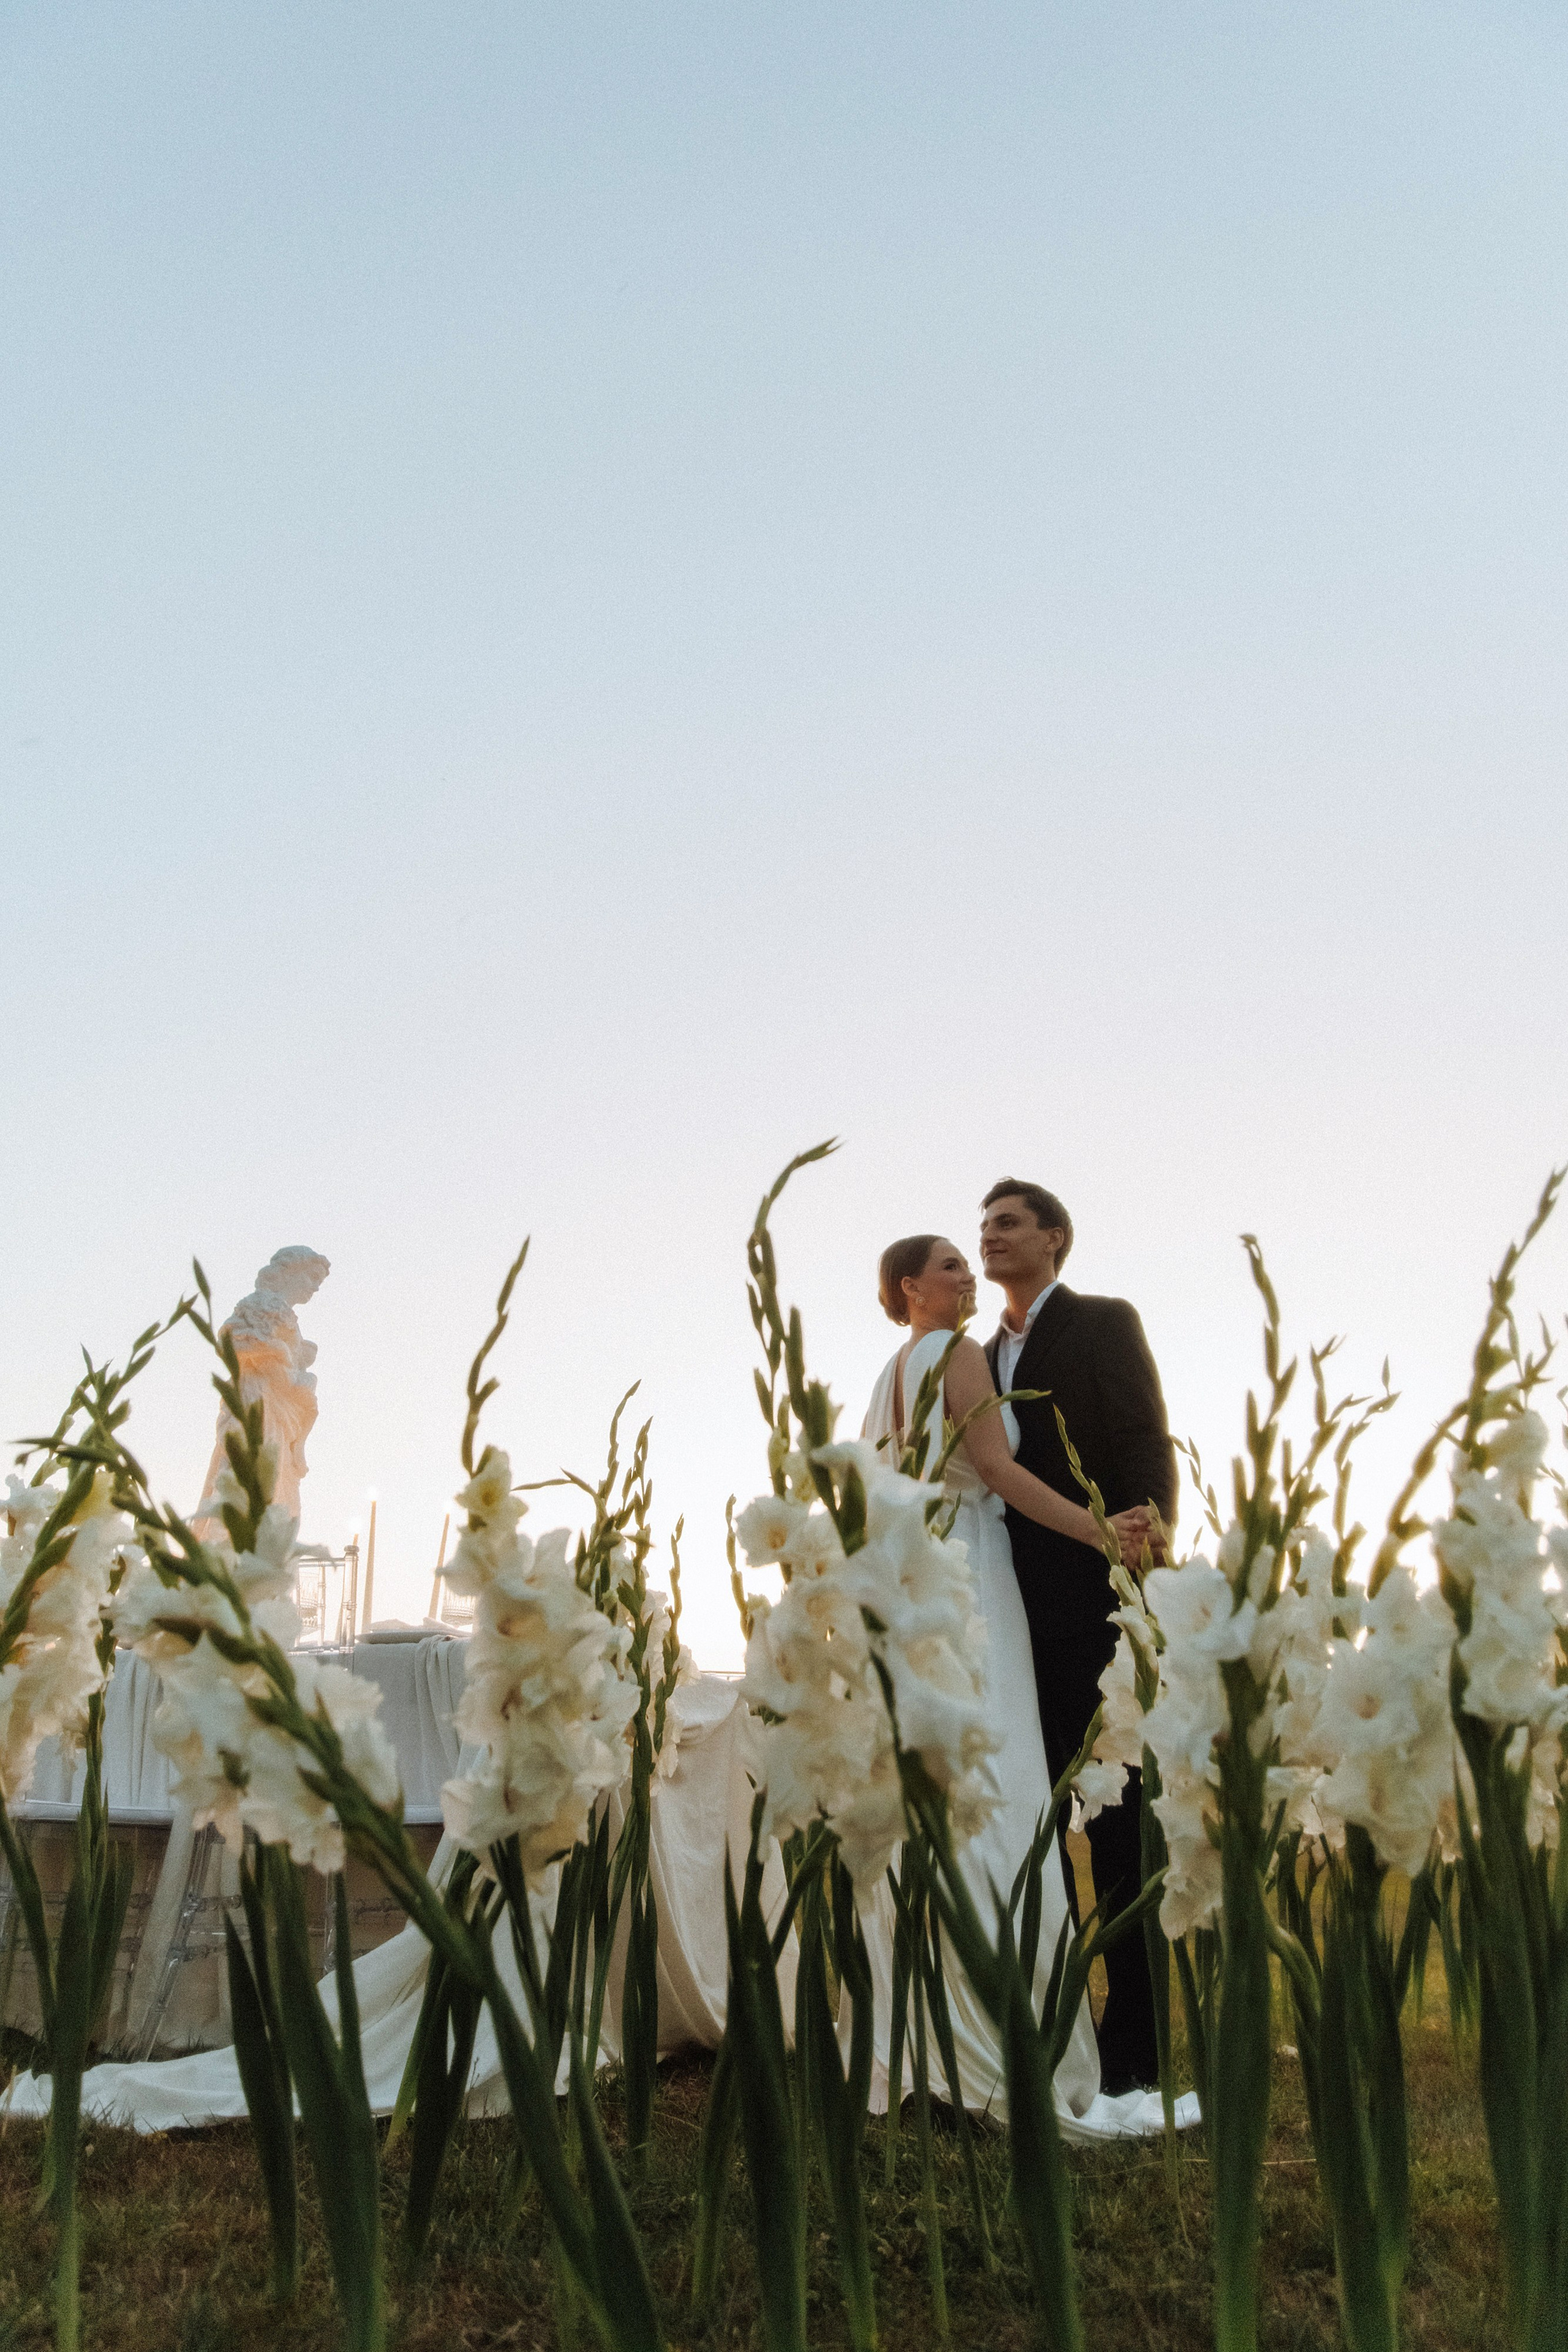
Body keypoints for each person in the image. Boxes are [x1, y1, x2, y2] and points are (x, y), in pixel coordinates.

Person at [859, 1233, 1149, 2135]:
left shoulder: (891, 1371)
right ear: (911, 1288)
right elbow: (996, 1470)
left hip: (916, 1584)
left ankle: (920, 2036)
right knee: (1002, 1783)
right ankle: (999, 2035)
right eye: (947, 1264)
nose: (964, 1272)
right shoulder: (960, 1353)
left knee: (938, 1795)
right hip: (975, 1578)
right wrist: (1101, 1530)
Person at [979, 1178, 1176, 2095]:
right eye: (983, 1225)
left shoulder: (1103, 1322)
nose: (991, 1236)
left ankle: (1136, 2043)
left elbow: (1143, 1440)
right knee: (1038, 1814)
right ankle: (1061, 2029)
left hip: (1099, 1598)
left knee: (1123, 1823)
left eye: (1009, 1222)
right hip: (1013, 1611)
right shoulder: (978, 1357)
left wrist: (1146, 1562)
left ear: (1055, 1239)